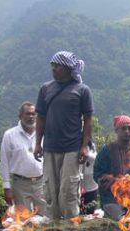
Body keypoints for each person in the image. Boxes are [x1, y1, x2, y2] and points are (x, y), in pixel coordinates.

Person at [34, 51, 94, 220]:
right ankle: (53, 229)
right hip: (50, 147)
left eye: (58, 66)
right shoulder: (46, 88)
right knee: (50, 192)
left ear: (69, 68)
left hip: (72, 148)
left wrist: (84, 146)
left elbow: (88, 119)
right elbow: (41, 117)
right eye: (52, 65)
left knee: (68, 191)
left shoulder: (82, 90)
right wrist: (38, 143)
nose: (54, 69)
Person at [94, 115, 130, 220]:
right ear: (116, 130)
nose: (127, 131)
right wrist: (118, 182)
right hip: (112, 200)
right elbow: (98, 174)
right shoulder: (106, 151)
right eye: (123, 128)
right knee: (122, 220)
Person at [0, 102, 46, 214]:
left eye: (33, 114)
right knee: (24, 220)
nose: (31, 117)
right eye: (27, 114)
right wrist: (6, 187)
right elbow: (4, 161)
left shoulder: (43, 133)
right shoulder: (10, 135)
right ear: (20, 116)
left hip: (42, 182)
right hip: (20, 184)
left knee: (46, 218)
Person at [80, 141, 99, 215]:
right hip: (80, 186)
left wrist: (86, 154)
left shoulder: (91, 145)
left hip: (92, 187)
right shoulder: (74, 144)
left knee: (90, 213)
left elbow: (95, 157)